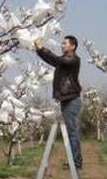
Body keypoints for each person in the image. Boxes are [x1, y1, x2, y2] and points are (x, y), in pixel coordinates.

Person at [34, 35, 83, 170]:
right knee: (71, 130)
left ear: (72, 46)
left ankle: (76, 162)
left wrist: (41, 48)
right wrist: (39, 50)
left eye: (64, 43)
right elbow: (53, 60)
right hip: (66, 99)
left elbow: (56, 60)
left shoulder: (73, 59)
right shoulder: (64, 60)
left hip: (72, 100)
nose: (62, 45)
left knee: (73, 131)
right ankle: (75, 160)